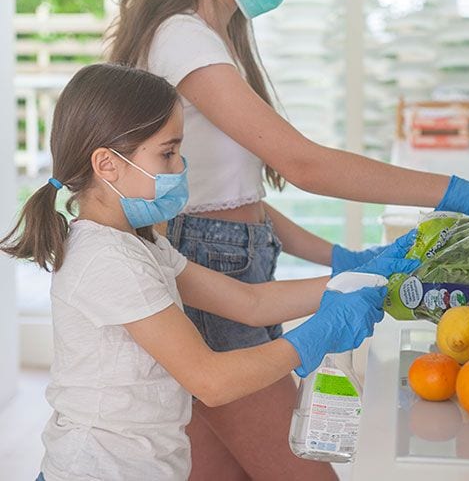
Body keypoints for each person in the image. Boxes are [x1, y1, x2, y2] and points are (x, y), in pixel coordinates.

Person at [106, 0, 469, 480]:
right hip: (211, 273)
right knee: (303, 473)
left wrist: (340, 257)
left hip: (220, 260)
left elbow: (231, 200)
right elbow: (302, 162)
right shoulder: (185, 39)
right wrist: (462, 194)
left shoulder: (213, 36)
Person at [1, 63, 418, 481]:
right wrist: (319, 332)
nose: (181, 167)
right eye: (167, 153)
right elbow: (210, 380)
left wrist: (364, 275)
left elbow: (250, 303)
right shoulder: (107, 259)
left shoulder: (139, 244)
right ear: (107, 164)